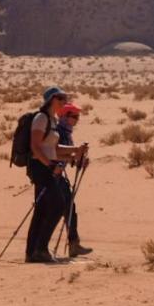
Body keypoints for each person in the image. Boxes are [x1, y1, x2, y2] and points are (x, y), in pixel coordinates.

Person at [25, 86, 87, 263]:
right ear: (51, 99)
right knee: (58, 205)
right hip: (41, 168)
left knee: (42, 210)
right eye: (60, 98)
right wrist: (50, 165)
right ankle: (41, 248)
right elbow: (35, 147)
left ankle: (32, 252)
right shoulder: (41, 118)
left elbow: (54, 147)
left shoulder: (51, 120)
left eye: (65, 99)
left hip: (48, 167)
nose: (64, 102)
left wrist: (76, 150)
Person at [55, 102, 91, 257]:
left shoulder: (66, 133)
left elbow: (68, 158)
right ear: (64, 117)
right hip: (52, 176)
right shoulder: (59, 133)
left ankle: (74, 244)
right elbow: (55, 153)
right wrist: (75, 156)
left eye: (78, 116)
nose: (77, 119)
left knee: (69, 209)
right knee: (60, 210)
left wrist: (78, 161)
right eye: (74, 116)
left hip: (59, 176)